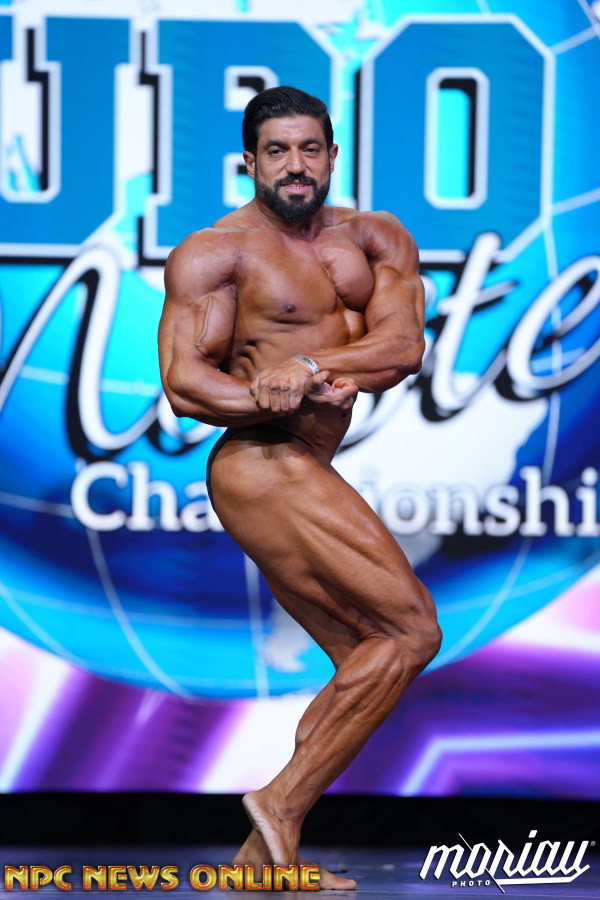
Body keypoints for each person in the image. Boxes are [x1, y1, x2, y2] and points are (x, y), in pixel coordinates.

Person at [158, 86, 441, 889]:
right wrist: (267, 395)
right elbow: (183, 382)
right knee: (412, 632)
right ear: (249, 162)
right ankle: (278, 805)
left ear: (332, 156)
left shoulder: (376, 239)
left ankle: (260, 862)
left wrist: (312, 367)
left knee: (366, 661)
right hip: (259, 461)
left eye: (309, 149)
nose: (294, 165)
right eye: (276, 151)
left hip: (304, 465)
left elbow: (402, 346)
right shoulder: (216, 253)